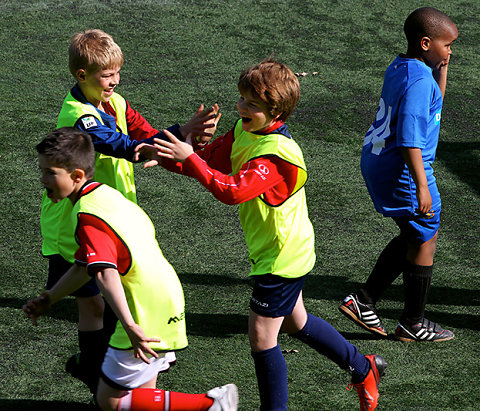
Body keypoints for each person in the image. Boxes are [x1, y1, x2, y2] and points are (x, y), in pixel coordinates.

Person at [138, 59, 386, 411]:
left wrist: (189, 158)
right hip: (280, 249)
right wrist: (166, 155)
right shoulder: (245, 130)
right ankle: (364, 368)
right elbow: (211, 162)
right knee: (297, 322)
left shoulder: (276, 156)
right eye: (241, 99)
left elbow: (232, 190)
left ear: (276, 112)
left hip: (282, 257)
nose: (241, 108)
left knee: (261, 336)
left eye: (252, 105)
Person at [41, 29, 219, 392]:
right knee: (94, 303)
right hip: (75, 223)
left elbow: (144, 133)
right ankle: (98, 370)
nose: (115, 81)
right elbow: (117, 143)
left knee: (111, 295)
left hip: (114, 217)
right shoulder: (79, 115)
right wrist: (157, 145)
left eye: (117, 73)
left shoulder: (116, 102)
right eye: (107, 75)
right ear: (82, 76)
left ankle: (102, 363)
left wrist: (183, 135)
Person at [24, 128, 238, 411]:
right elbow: (85, 267)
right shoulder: (106, 196)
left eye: (50, 173)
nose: (43, 180)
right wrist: (50, 297)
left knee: (110, 402)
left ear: (76, 176)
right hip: (165, 295)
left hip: (142, 310)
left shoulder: (88, 215)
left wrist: (129, 325)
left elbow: (104, 272)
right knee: (140, 399)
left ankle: (210, 404)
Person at [339, 7, 458, 342]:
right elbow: (409, 137)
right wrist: (422, 185)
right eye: (446, 45)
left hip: (379, 160)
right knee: (425, 232)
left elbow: (433, 105)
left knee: (415, 232)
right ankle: (411, 322)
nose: (450, 52)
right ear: (425, 43)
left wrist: (442, 71)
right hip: (405, 169)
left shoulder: (403, 68)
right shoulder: (421, 81)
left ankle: (364, 300)